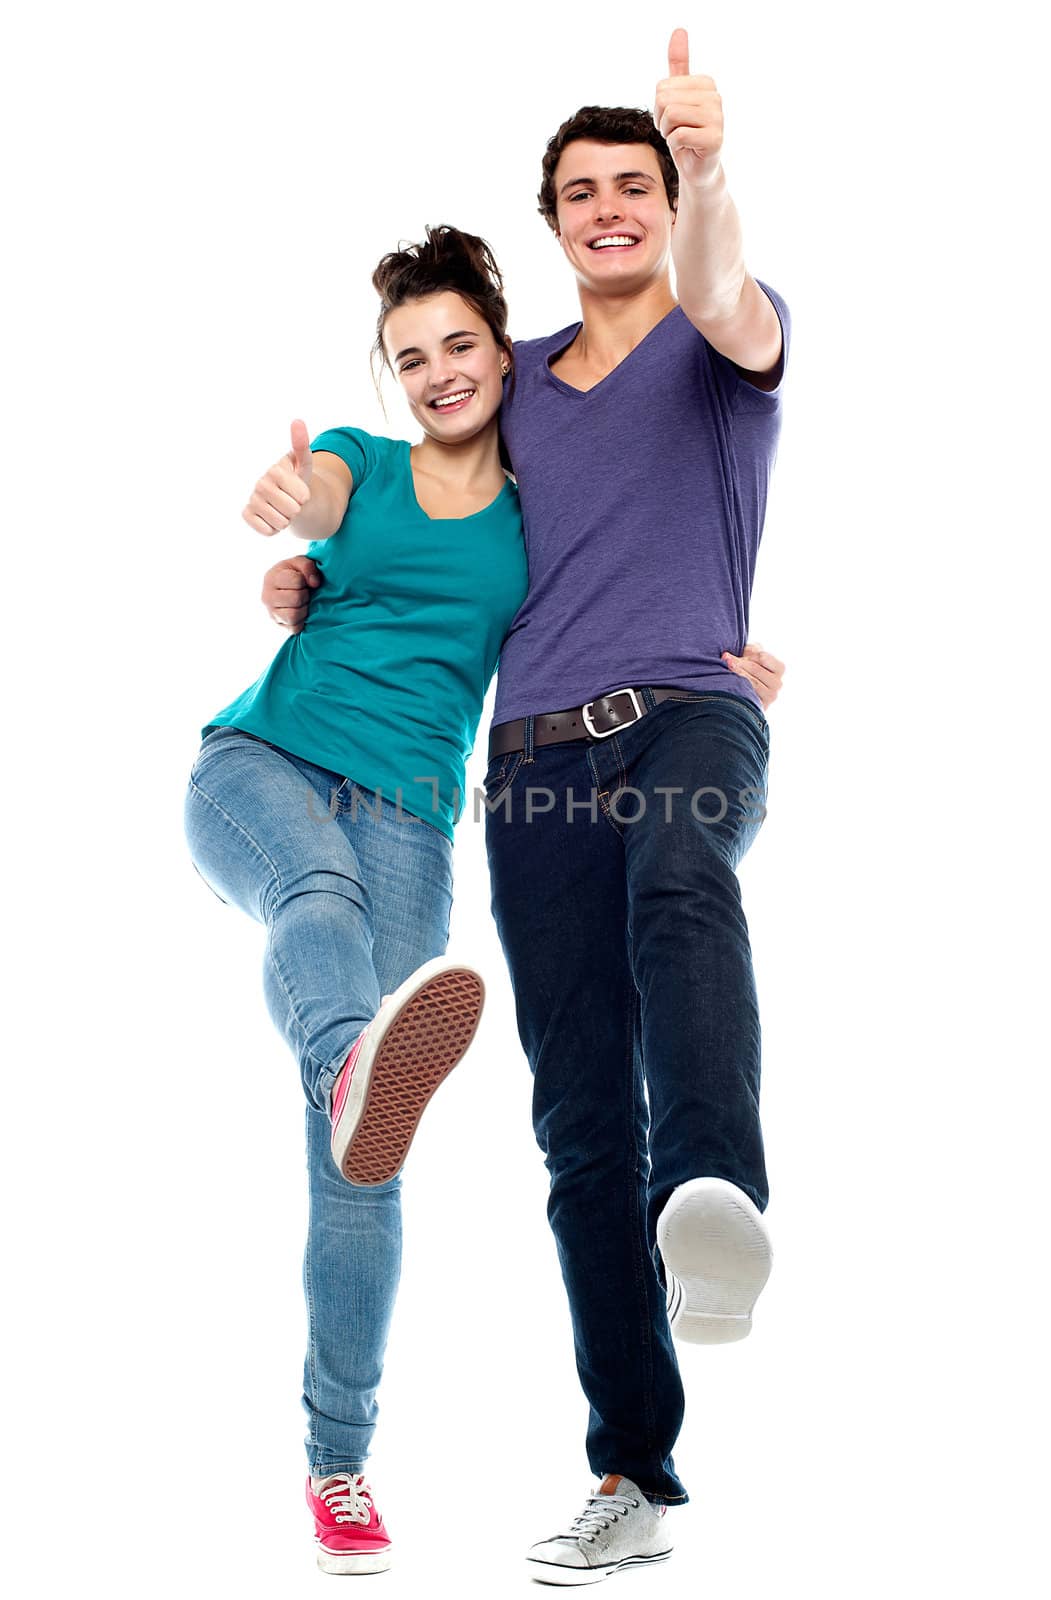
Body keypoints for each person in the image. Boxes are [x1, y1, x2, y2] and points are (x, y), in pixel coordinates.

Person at [261, 31, 790, 1582]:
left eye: (634, 184)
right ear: (551, 225)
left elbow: (725, 283)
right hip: (533, 770)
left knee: (685, 883)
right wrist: (303, 569)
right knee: (573, 1126)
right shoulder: (518, 396)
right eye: (585, 193)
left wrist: (707, 173)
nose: (612, 208)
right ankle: (631, 1473)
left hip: (689, 714)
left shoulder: (717, 342)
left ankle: (716, 1193)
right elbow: (410, 533)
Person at [183, 227, 528, 1576]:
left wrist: (724, 666)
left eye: (457, 345)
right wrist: (291, 512)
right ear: (386, 379)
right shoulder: (362, 461)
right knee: (316, 918)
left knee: (356, 1163)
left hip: (411, 823)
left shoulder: (534, 512)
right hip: (260, 769)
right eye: (409, 357)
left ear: (500, 349)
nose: (437, 372)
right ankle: (350, 1067)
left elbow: (619, 594)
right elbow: (315, 493)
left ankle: (339, 1466)